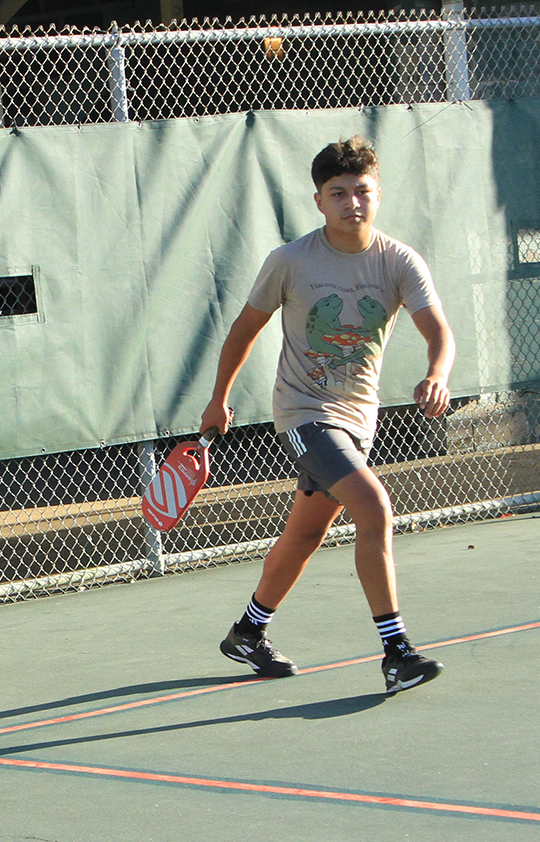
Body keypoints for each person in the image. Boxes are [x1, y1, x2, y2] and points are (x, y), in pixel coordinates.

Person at [201, 136, 453, 695]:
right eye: (338, 193)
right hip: (303, 413)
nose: (351, 203)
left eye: (361, 191)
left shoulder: (399, 260)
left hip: (359, 419)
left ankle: (248, 632)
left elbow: (438, 330)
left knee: (307, 533)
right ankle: (397, 652)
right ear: (319, 201)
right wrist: (219, 397)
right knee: (374, 507)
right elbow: (244, 331)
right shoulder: (290, 261)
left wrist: (438, 372)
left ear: (377, 195)